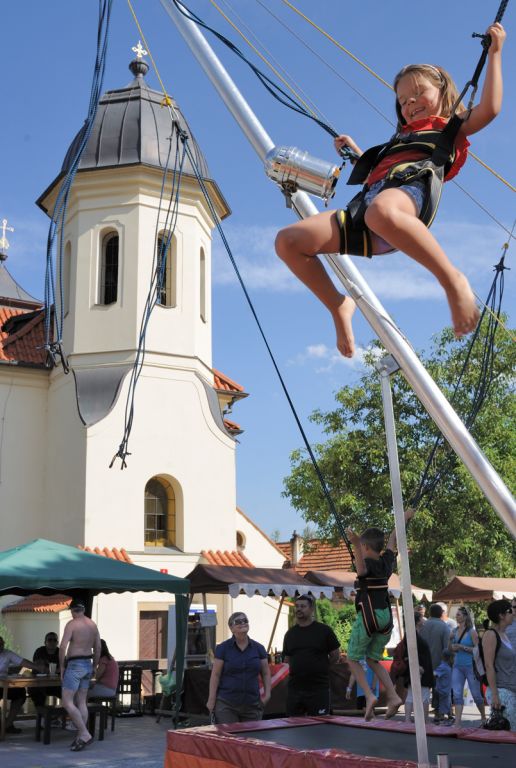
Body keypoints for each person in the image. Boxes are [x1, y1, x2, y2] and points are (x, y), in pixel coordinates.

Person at [274, 24, 506, 358]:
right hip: (369, 210)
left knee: (381, 211)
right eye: (403, 100)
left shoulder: (449, 127)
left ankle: (452, 279)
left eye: (419, 93)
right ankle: (338, 305)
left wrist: (495, 53)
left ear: (443, 93)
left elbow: (490, 108)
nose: (410, 103)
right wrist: (355, 152)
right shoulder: (399, 140)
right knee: (288, 242)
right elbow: (378, 171)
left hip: (409, 196)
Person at [345, 507, 414, 720]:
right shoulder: (386, 562)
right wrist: (404, 519)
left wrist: (355, 544)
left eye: (362, 547)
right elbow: (393, 538)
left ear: (365, 547)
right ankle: (392, 696)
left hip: (369, 617)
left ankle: (368, 696)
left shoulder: (367, 564)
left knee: (352, 658)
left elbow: (361, 570)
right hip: (385, 618)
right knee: (373, 660)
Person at [207, 612, 271, 723]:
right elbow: (215, 674)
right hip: (227, 704)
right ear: (231, 628)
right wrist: (211, 699)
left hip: (252, 704)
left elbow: (266, 673)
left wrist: (268, 695)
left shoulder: (259, 648)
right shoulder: (223, 648)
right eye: (238, 622)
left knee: (252, 734)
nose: (243, 623)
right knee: (230, 734)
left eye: (245, 621)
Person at [282, 594, 340, 716]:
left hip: (318, 688)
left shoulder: (324, 631)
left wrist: (322, 667)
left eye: (303, 606)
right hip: (295, 689)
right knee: (293, 724)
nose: (299, 609)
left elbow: (335, 655)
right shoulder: (290, 634)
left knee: (320, 724)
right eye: (297, 606)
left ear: (312, 609)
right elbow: (287, 659)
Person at [59, 598, 101, 751]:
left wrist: (62, 666)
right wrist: (95, 666)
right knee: (81, 702)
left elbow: (62, 646)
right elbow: (98, 647)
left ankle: (84, 733)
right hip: (87, 664)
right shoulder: (92, 625)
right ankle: (80, 737)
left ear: (72, 611)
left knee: (67, 702)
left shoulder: (72, 624)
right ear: (83, 610)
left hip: (75, 664)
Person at [449, 605, 485, 727]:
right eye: (456, 614)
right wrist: (450, 642)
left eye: (458, 614)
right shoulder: (454, 631)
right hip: (457, 666)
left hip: (470, 666)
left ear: (465, 617)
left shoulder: (472, 632)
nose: (456, 616)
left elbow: (477, 650)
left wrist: (462, 647)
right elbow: (450, 649)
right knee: (457, 694)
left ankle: (483, 717)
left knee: (476, 694)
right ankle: (457, 722)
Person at [483, 599, 516, 731]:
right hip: (501, 692)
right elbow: (489, 665)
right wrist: (495, 694)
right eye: (510, 611)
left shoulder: (504, 634)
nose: (513, 613)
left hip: (510, 689)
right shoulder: (491, 635)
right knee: (509, 734)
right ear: (501, 615)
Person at [0, 635, 43, 734]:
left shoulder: (7, 653)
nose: (1, 646)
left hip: (5, 684)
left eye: (2, 644)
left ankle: (7, 725)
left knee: (20, 693)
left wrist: (38, 667)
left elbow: (23, 662)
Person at [403, 612, 434, 723]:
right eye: (421, 618)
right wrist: (417, 666)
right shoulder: (412, 634)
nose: (423, 619)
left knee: (412, 694)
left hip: (418, 666)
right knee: (424, 695)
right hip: (420, 668)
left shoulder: (412, 633)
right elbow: (410, 652)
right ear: (417, 621)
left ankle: (408, 719)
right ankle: (424, 720)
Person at [30, 631, 62, 708]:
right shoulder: (39, 651)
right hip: (40, 683)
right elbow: (38, 667)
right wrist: (55, 670)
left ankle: (64, 712)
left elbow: (64, 667)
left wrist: (48, 670)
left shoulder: (61, 652)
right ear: (45, 642)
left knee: (69, 690)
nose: (52, 642)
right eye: (50, 640)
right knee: (36, 691)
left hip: (56, 684)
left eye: (54, 640)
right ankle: (41, 712)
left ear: (57, 642)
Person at [420, 603, 451, 672]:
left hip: (423, 665)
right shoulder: (444, 627)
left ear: (429, 613)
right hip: (439, 666)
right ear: (441, 613)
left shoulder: (422, 625)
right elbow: (447, 648)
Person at [433, 649, 454, 725]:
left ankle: (448, 717)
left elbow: (436, 674)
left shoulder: (445, 666)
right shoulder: (444, 667)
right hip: (444, 690)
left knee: (446, 704)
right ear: (450, 658)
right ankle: (442, 719)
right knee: (444, 704)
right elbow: (435, 674)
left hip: (445, 689)